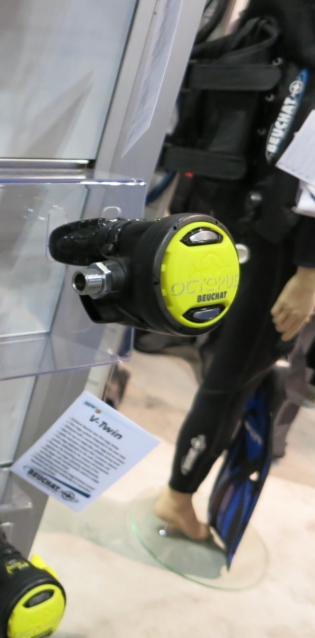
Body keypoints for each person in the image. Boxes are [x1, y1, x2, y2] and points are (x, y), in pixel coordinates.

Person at [151, 0, 315, 539]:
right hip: (283, 235)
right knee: (235, 375)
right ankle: (178, 497)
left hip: (236, 201)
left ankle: (180, 490)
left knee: (227, 362)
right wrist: (309, 273)